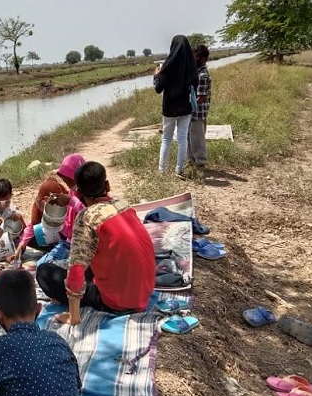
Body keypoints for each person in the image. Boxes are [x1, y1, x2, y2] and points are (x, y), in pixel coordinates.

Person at [54, 162, 155, 325]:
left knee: (45, 274)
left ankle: (78, 313)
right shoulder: (122, 204)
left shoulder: (86, 218)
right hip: (145, 292)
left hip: (118, 303)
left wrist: (73, 317)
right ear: (107, 185)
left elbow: (76, 270)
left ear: (78, 193)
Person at [12, 154, 86, 262]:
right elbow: (32, 226)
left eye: (69, 180)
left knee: (45, 266)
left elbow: (73, 230)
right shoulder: (68, 195)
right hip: (63, 239)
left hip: (75, 244)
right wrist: (22, 245)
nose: (68, 184)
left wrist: (57, 220)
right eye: (65, 181)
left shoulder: (71, 200)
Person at [154, 35, 199, 176]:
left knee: (166, 139)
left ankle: (162, 170)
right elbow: (195, 86)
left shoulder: (167, 66)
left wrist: (156, 75)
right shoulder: (191, 66)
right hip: (185, 108)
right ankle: (179, 169)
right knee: (182, 139)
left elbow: (158, 89)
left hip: (169, 108)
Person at [188, 44, 211, 169]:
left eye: (194, 58)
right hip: (194, 112)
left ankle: (200, 162)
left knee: (198, 139)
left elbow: (200, 98)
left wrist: (187, 105)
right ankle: (192, 161)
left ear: (202, 59)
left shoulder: (203, 76)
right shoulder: (197, 73)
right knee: (192, 138)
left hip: (198, 112)